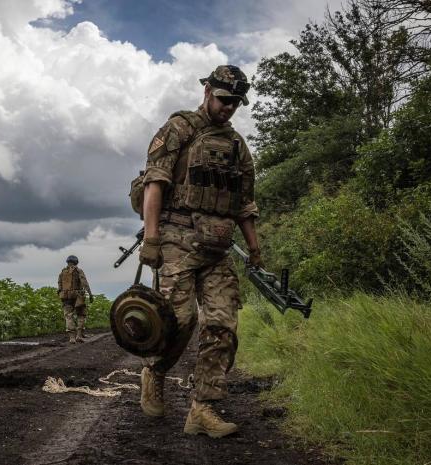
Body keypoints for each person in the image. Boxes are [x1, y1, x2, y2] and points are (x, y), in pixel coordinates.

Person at [137, 65, 262, 438]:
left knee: (222, 324)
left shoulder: (238, 146)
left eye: (236, 103)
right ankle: (156, 371)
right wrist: (152, 239)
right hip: (176, 238)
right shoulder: (177, 129)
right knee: (180, 320)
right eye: (224, 100)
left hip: (218, 247)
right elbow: (154, 183)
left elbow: (245, 204)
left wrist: (255, 248)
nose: (228, 108)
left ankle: (203, 409)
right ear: (207, 90)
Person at [57, 255, 93, 344]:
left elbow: (59, 286)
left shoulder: (62, 272)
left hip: (66, 297)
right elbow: (84, 283)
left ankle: (72, 338)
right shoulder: (78, 271)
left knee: (68, 316)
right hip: (78, 297)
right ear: (76, 262)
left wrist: (61, 295)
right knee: (81, 315)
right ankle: (79, 336)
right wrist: (90, 294)